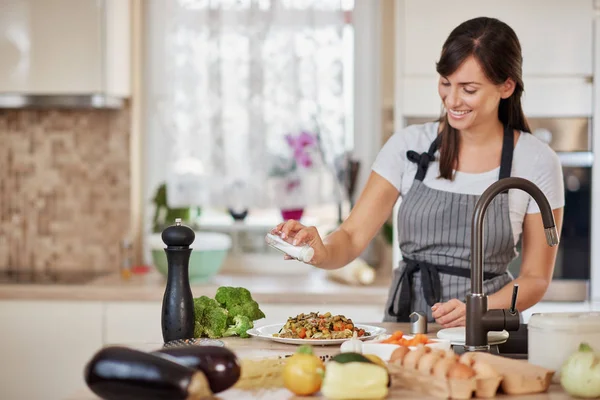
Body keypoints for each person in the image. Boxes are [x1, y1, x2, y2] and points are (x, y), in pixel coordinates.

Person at [271, 17, 564, 327]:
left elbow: (535, 278)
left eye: (468, 89)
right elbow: (351, 236)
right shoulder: (409, 145)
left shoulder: (536, 161)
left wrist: (480, 307)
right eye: (446, 82)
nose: (452, 100)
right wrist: (319, 251)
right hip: (407, 326)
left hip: (489, 330)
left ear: (506, 86)